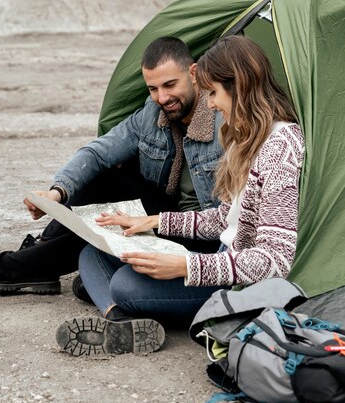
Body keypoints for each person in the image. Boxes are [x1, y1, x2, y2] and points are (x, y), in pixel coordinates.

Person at [0, 37, 223, 351]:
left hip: (201, 233)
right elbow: (97, 153)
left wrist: (151, 222)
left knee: (99, 242)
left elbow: (228, 221)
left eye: (169, 85)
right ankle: (118, 317)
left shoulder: (224, 122)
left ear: (193, 74)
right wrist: (57, 193)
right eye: (152, 89)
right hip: (161, 217)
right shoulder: (152, 116)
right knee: (95, 219)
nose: (162, 97)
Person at [56, 35, 305, 358]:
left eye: (214, 93)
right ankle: (119, 320)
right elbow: (221, 220)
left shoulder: (280, 145)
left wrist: (186, 266)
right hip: (219, 255)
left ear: (239, 87)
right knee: (93, 254)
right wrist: (153, 222)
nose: (211, 104)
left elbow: (275, 261)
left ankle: (120, 307)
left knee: (124, 284)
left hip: (235, 283)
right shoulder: (245, 138)